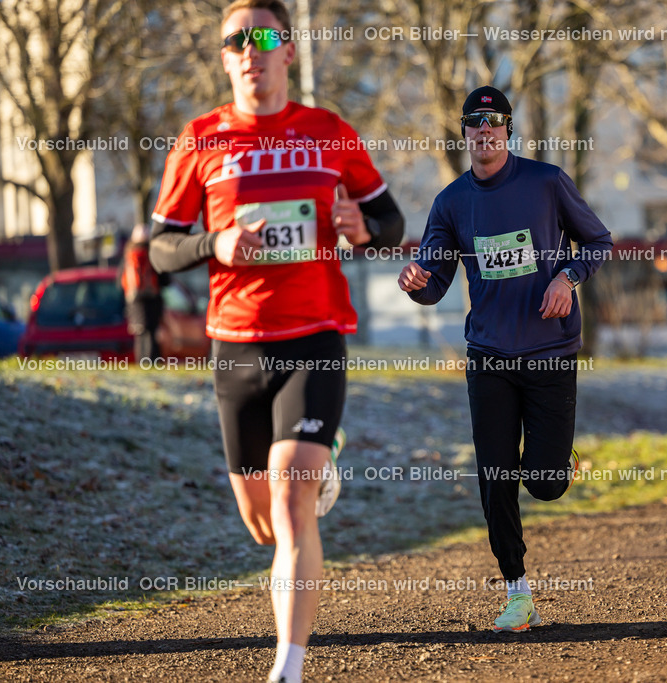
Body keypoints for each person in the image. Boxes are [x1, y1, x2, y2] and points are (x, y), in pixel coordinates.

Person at [148, 1, 403, 681]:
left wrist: (360, 227)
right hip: (235, 347)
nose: (249, 51)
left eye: (263, 38)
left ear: (288, 51)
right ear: (225, 57)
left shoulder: (328, 132)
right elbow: (161, 249)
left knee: (292, 503)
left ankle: (287, 667)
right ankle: (320, 465)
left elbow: (390, 220)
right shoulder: (199, 140)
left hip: (314, 337)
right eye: (236, 41)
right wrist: (215, 242)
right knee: (261, 524)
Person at [398, 86, 612, 632]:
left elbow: (598, 242)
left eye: (495, 124)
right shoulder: (451, 202)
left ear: (508, 130)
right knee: (494, 475)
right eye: (475, 124)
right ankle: (518, 591)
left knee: (544, 483)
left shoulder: (545, 182)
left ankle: (557, 456)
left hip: (549, 351)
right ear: (465, 132)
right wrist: (416, 282)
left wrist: (568, 277)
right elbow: (434, 281)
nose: (485, 133)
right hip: (489, 354)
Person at [120, 223, 168, 362]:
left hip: (134, 300)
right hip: (152, 299)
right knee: (152, 334)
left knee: (139, 334)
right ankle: (152, 362)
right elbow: (164, 279)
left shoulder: (128, 255)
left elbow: (120, 280)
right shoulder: (153, 254)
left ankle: (141, 361)